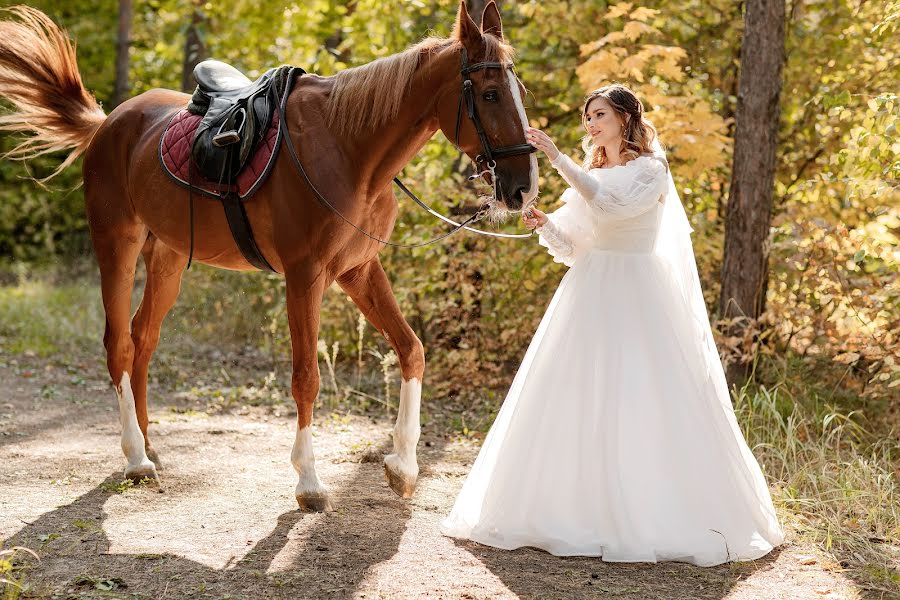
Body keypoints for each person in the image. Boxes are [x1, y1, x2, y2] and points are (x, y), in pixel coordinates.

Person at [440, 84, 785, 566]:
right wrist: (545, 223)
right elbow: (576, 244)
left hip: (640, 291)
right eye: (588, 117)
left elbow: (614, 207)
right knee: (575, 394)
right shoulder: (593, 173)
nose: (591, 124)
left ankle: (648, 509)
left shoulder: (651, 170)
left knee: (642, 394)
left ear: (625, 117)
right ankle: (569, 508)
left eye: (599, 114)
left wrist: (559, 158)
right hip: (590, 287)